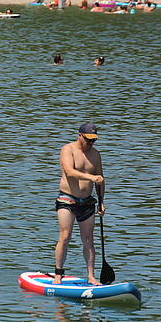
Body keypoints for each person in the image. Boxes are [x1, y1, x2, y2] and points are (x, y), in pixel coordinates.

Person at [54, 123, 105, 286]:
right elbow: (69, 171)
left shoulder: (96, 155)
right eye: (88, 140)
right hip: (67, 199)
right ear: (79, 136)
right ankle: (58, 274)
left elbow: (100, 180)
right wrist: (91, 178)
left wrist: (101, 202)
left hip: (87, 202)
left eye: (94, 140)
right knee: (65, 236)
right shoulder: (68, 150)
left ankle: (91, 276)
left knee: (89, 240)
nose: (91, 143)